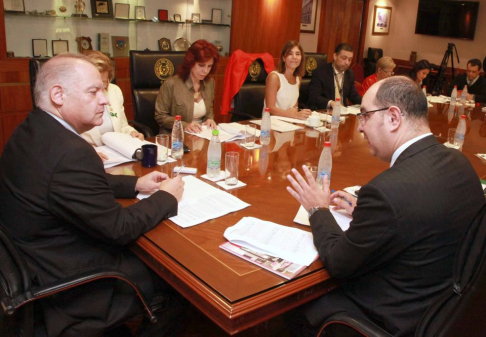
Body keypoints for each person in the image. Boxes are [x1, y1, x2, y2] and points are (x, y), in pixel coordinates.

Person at [0, 54, 186, 336]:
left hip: (35, 258)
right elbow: (119, 228)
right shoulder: (71, 153)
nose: (105, 100)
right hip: (68, 285)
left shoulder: (32, 130)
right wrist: (167, 198)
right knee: (176, 279)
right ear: (58, 95)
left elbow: (68, 185)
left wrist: (134, 185)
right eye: (93, 91)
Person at [286, 76, 485, 336]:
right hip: (444, 309)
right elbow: (423, 215)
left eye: (365, 115)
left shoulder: (386, 192)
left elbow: (338, 262)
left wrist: (317, 209)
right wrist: (369, 215)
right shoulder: (459, 162)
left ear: (393, 118)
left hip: (396, 318)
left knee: (300, 307)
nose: (360, 127)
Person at [81, 51, 143, 150]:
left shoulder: (114, 91)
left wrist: (132, 133)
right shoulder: (76, 97)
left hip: (116, 152)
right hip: (87, 155)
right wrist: (87, 151)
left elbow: (122, 126)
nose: (100, 88)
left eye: (104, 82)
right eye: (94, 85)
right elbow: (68, 137)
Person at [155, 39, 219, 133]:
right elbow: (160, 116)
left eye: (209, 66)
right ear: (191, 63)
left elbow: (209, 110)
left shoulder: (210, 83)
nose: (205, 71)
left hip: (201, 134)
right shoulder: (171, 84)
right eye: (201, 65)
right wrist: (185, 125)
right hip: (176, 136)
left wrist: (210, 119)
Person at [264, 40, 311, 120]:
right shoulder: (274, 77)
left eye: (297, 54)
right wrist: (294, 115)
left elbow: (294, 104)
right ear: (283, 58)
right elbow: (270, 108)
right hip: (272, 123)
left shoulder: (298, 78)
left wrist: (296, 109)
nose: (294, 57)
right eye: (290, 53)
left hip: (289, 122)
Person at [307, 43, 362, 109]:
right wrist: (331, 103)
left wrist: (366, 102)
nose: (347, 62)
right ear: (335, 56)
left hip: (343, 112)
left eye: (350, 59)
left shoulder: (350, 74)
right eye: (344, 58)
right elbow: (314, 96)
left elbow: (353, 96)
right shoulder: (320, 72)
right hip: (325, 112)